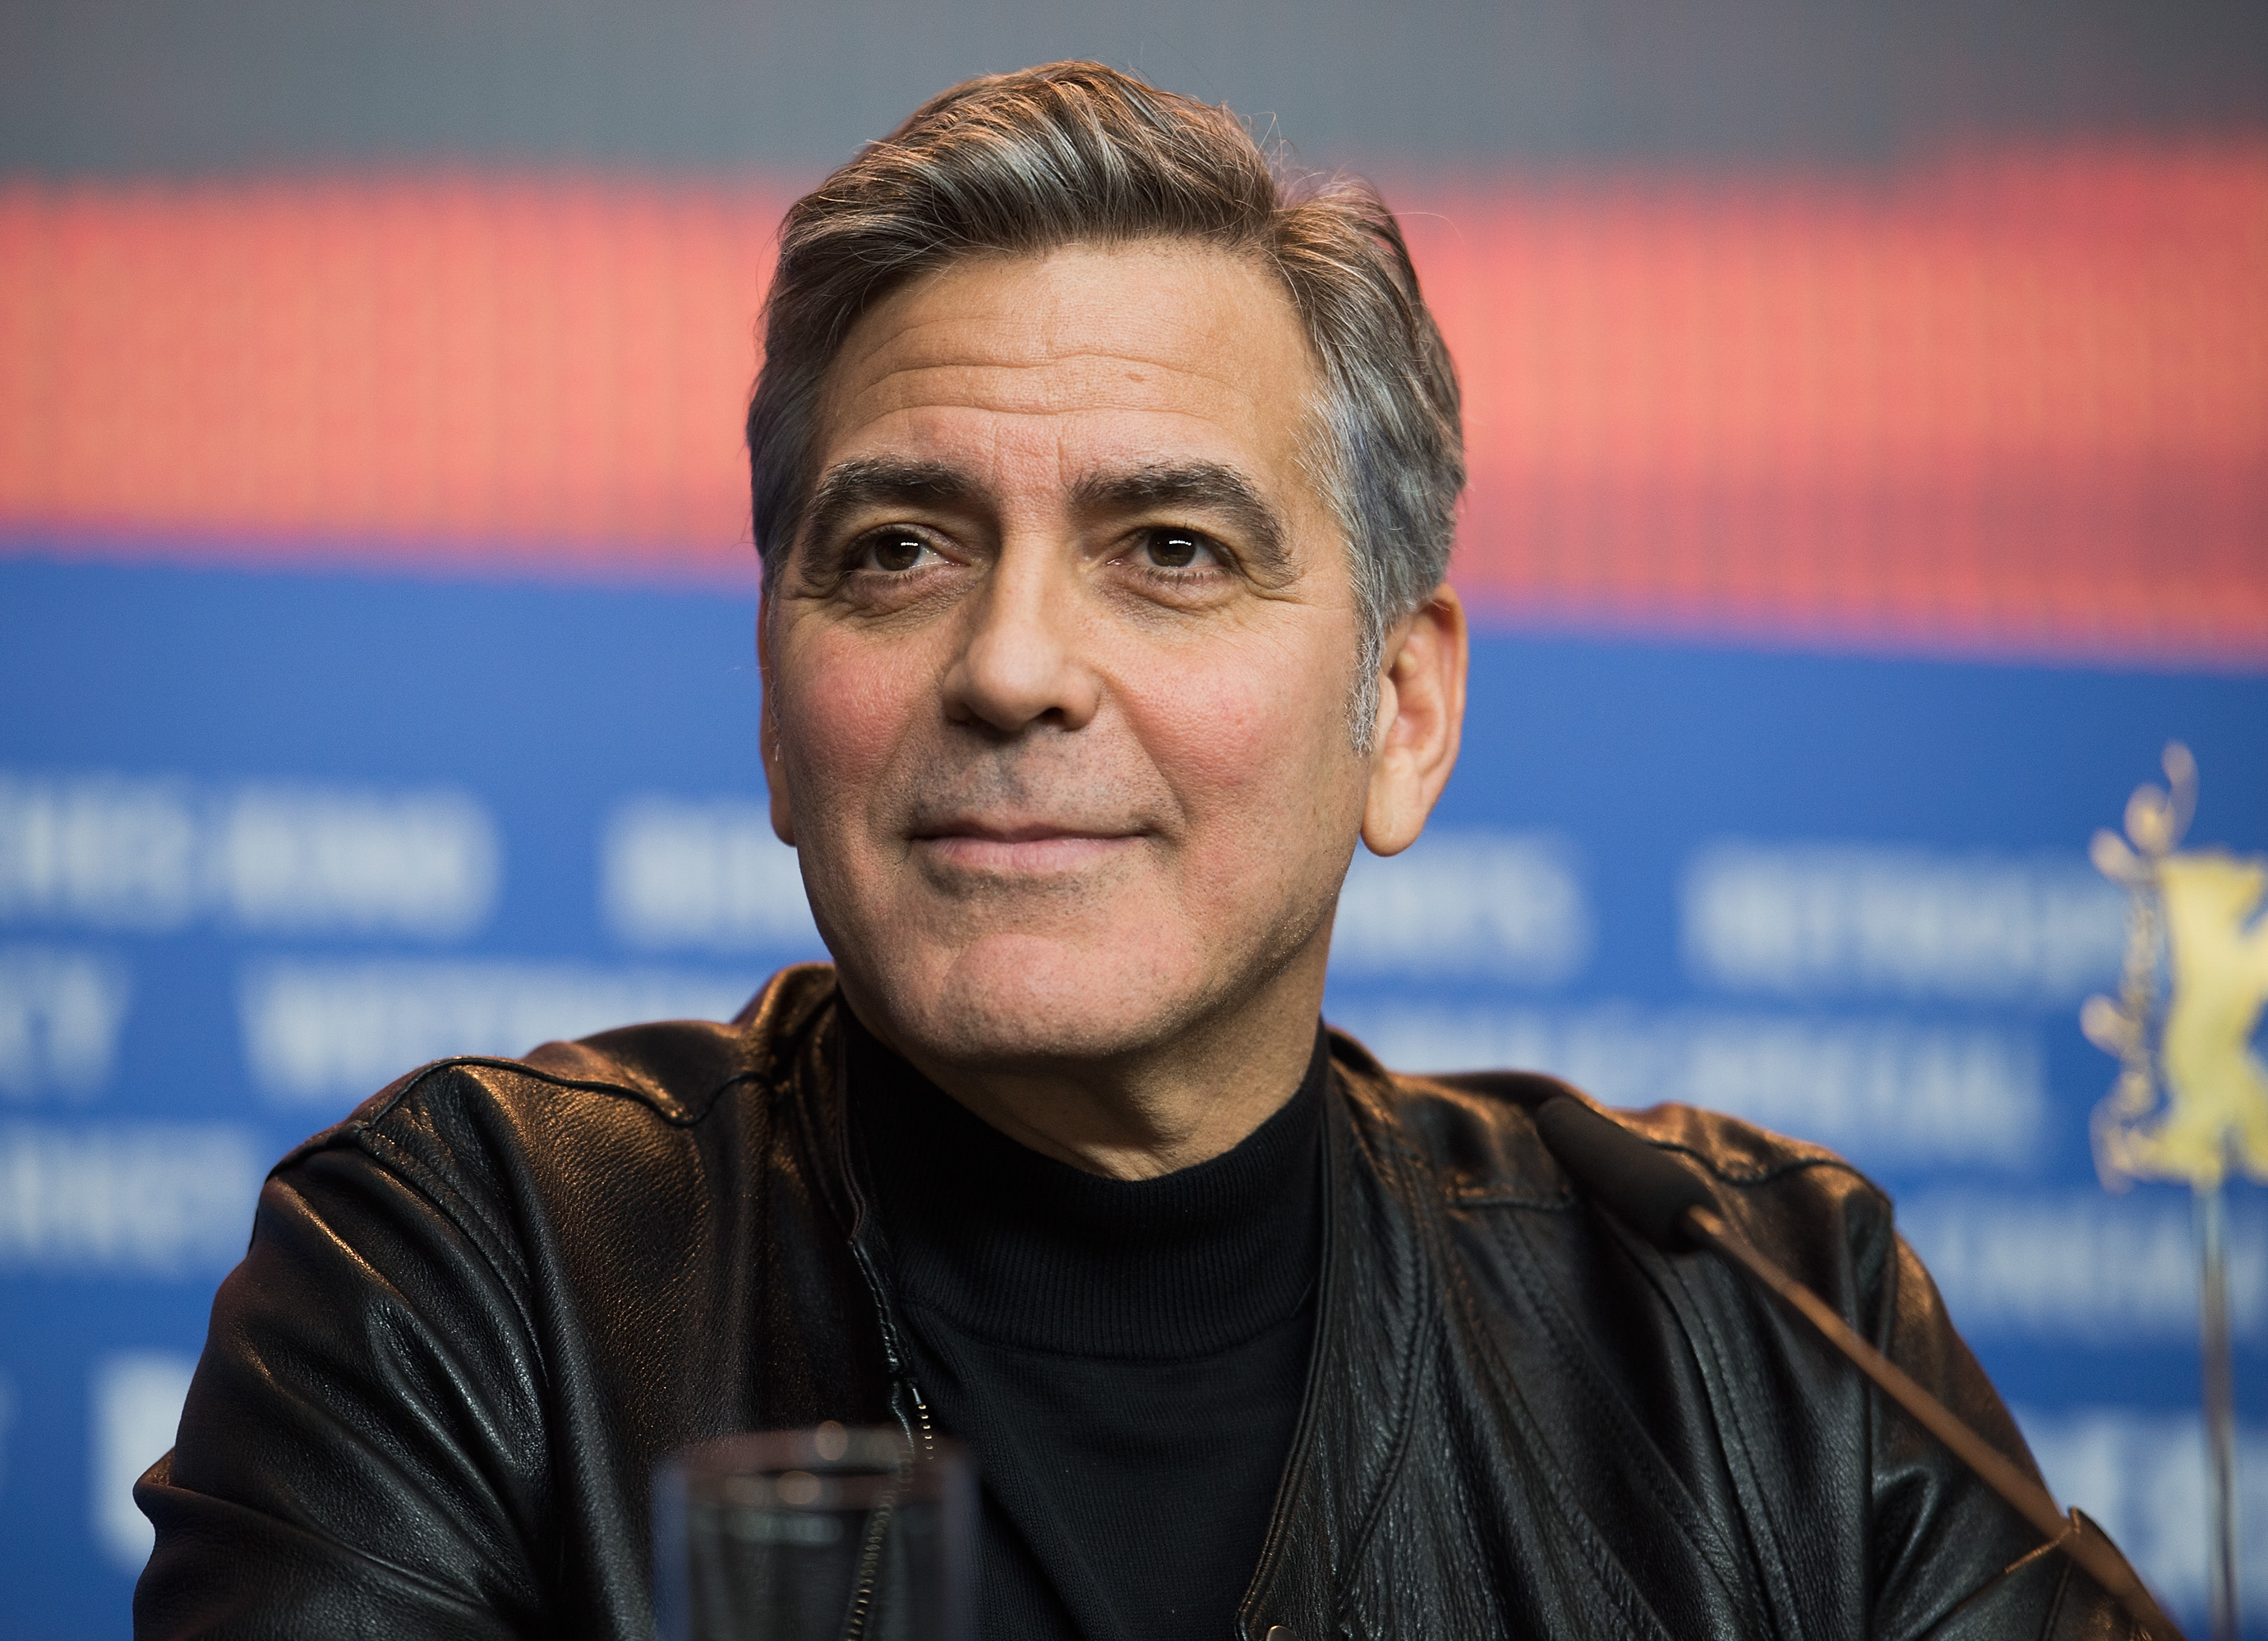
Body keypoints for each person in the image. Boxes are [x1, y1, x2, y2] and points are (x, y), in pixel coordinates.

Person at [136, 62, 2145, 1640]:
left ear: (1404, 711)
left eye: (1171, 552)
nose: (1010, 667)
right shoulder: (469, 1283)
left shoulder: (1768, 1333)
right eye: (897, 550)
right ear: (772, 706)